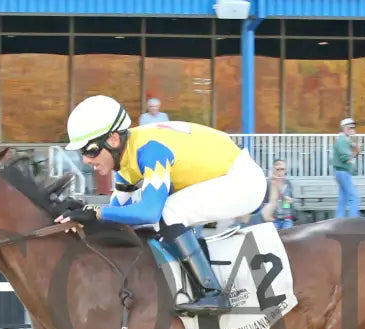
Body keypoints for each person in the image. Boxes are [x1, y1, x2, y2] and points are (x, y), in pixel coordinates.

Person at [58, 95, 267, 314]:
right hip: (225, 175)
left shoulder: (149, 151)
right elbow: (119, 215)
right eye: (82, 153)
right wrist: (83, 211)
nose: (86, 160)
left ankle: (212, 293)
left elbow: (149, 212)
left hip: (243, 180)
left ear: (112, 140)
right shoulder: (125, 163)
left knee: (169, 212)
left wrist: (96, 213)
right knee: (155, 215)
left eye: (90, 151)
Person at [332, 118, 360, 218]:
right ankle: (354, 221)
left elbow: (356, 151)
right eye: (351, 127)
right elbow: (346, 159)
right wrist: (354, 153)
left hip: (342, 172)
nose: (353, 129)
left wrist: (354, 144)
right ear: (344, 128)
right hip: (343, 172)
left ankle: (338, 221)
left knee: (343, 198)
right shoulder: (342, 141)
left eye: (354, 127)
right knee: (354, 197)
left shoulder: (345, 140)